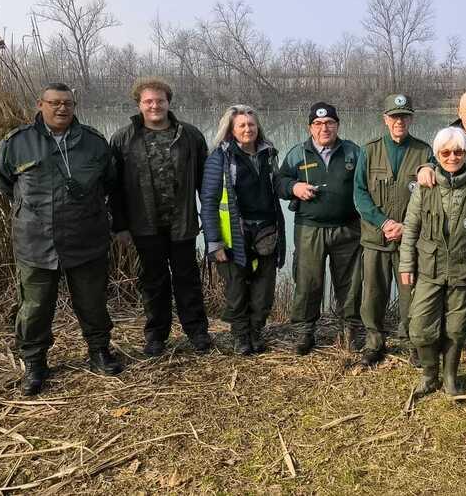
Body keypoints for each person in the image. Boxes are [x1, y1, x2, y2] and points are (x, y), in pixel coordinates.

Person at [0, 83, 122, 395]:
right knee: (35, 307)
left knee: (92, 301)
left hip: (85, 238)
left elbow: (109, 182)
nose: (61, 108)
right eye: (54, 103)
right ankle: (35, 363)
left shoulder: (93, 143)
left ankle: (99, 352)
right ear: (40, 104)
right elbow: (3, 181)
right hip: (35, 241)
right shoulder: (17, 142)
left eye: (67, 103)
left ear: (74, 106)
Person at [110, 77, 211, 356]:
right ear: (139, 104)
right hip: (144, 227)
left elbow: (207, 183)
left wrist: (211, 221)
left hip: (183, 224)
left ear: (169, 102)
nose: (155, 106)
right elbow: (114, 188)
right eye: (148, 101)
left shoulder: (190, 136)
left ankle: (197, 332)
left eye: (160, 100)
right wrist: (120, 226)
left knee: (187, 279)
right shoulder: (123, 138)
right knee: (153, 282)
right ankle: (156, 336)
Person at [399, 127, 466, 396]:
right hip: (429, 269)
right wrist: (406, 264)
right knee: (419, 327)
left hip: (463, 269)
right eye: (445, 152)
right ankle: (429, 374)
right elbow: (410, 228)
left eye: (458, 152)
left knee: (455, 329)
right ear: (437, 155)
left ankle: (450, 376)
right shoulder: (425, 187)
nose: (452, 157)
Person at [278, 102, 363, 355]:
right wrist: (294, 187)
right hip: (309, 229)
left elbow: (367, 183)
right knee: (308, 281)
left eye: (329, 123)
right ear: (310, 127)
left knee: (350, 283)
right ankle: (305, 332)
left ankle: (351, 329)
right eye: (318, 124)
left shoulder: (353, 152)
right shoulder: (297, 153)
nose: (324, 128)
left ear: (337, 125)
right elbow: (279, 182)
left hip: (347, 228)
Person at [354, 93, 432, 367]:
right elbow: (360, 194)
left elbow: (430, 198)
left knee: (411, 294)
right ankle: (374, 342)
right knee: (373, 293)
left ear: (411, 119)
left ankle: (412, 343)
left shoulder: (424, 152)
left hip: (409, 240)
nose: (400, 121)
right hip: (376, 238)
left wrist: (406, 227)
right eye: (394, 116)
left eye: (404, 116)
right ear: (385, 119)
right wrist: (384, 222)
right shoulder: (369, 150)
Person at [200, 105, 286, 355]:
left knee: (264, 289)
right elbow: (209, 201)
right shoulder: (220, 157)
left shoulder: (269, 154)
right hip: (233, 236)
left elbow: (277, 185)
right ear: (231, 130)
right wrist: (213, 242)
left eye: (252, 124)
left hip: (266, 231)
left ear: (258, 127)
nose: (248, 129)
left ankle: (256, 331)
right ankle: (240, 337)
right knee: (236, 290)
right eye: (242, 125)